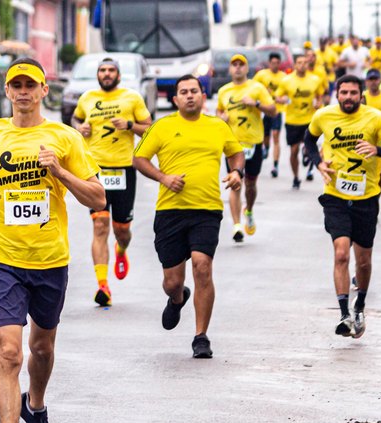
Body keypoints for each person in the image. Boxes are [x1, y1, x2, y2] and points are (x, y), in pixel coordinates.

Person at [0, 58, 104, 423]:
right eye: (16, 85)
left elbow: (97, 198)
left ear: (45, 91)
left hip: (49, 260)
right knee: (9, 353)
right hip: (1, 256)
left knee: (41, 350)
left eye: (31, 85)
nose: (23, 91)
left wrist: (59, 171)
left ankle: (35, 406)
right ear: (7, 92)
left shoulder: (64, 138)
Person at [133, 74, 244, 358]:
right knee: (171, 281)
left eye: (194, 91)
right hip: (170, 211)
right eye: (184, 92)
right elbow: (139, 159)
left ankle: (201, 336)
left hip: (206, 209)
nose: (190, 95)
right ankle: (177, 297)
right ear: (175, 99)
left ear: (203, 96)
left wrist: (236, 172)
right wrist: (163, 177)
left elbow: (236, 153)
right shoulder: (162, 126)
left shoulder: (218, 126)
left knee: (202, 265)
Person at [304, 74, 381, 339]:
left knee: (363, 260)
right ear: (337, 94)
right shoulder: (323, 116)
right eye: (343, 92)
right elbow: (308, 140)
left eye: (353, 93)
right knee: (341, 254)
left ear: (361, 95)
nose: (348, 97)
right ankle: (344, 315)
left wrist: (377, 150)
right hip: (335, 196)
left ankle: (359, 306)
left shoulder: (375, 118)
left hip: (366, 198)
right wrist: (318, 162)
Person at [71, 58, 152, 306]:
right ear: (98, 74)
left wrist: (129, 125)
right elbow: (75, 120)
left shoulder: (132, 98)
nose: (106, 74)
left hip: (124, 170)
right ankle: (103, 286)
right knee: (100, 227)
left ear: (118, 74)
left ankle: (121, 250)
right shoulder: (87, 98)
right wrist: (80, 127)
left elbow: (149, 129)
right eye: (102, 70)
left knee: (122, 230)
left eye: (111, 70)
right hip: (95, 171)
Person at [217, 54, 276, 242]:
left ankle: (248, 210)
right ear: (229, 69)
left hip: (254, 142)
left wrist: (256, 104)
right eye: (234, 65)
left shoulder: (257, 88)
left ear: (246, 69)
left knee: (250, 184)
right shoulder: (224, 91)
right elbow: (219, 111)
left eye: (241, 65)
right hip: (233, 145)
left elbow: (273, 110)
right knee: (235, 184)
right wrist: (221, 118)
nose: (237, 68)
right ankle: (236, 225)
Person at [274, 55, 325, 188]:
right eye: (299, 63)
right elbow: (277, 96)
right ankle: (296, 177)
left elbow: (320, 96)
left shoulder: (315, 80)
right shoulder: (287, 81)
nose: (302, 65)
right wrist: (282, 100)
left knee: (309, 146)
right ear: (295, 65)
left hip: (309, 119)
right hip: (293, 120)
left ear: (308, 65)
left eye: (304, 62)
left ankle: (307, 154)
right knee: (293, 151)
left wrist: (319, 103)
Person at [254, 52, 287, 178]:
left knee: (276, 136)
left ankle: (275, 165)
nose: (275, 65)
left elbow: (287, 95)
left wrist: (283, 99)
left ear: (280, 64)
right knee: (265, 137)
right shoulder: (262, 75)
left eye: (277, 63)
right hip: (264, 110)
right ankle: (266, 148)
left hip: (277, 111)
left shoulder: (284, 77)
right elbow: (253, 87)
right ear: (269, 63)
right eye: (273, 63)